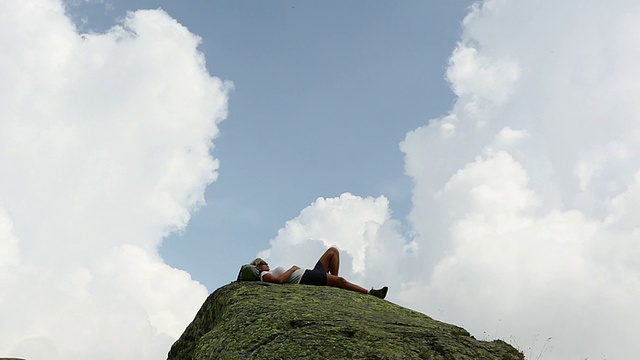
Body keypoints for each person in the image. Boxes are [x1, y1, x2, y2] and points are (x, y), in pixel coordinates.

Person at [251, 247, 388, 299]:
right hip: (304, 277)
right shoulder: (263, 276)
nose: (266, 263)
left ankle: (333, 282)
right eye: (263, 262)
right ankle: (371, 294)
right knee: (341, 281)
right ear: (258, 267)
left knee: (333, 251)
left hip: (308, 273)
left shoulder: (267, 272)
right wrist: (292, 269)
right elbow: (280, 281)